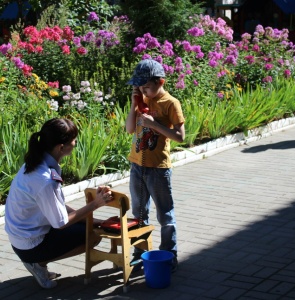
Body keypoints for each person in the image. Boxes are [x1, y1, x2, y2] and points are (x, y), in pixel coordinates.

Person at [4, 118, 113, 289]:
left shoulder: (36, 163)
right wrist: (95, 204)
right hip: (29, 245)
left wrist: (95, 220)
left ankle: (37, 261)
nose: (76, 143)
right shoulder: (45, 179)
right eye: (73, 140)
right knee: (93, 236)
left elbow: (58, 206)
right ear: (61, 147)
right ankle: (37, 263)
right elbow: (60, 222)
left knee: (91, 226)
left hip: (20, 238)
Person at [125, 59, 185, 271]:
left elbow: (180, 136)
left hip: (158, 169)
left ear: (160, 81)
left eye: (147, 87)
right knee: (139, 212)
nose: (143, 90)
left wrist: (153, 124)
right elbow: (130, 130)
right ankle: (140, 252)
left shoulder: (170, 103)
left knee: (164, 214)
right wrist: (134, 105)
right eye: (140, 87)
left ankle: (169, 253)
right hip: (137, 165)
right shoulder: (141, 99)